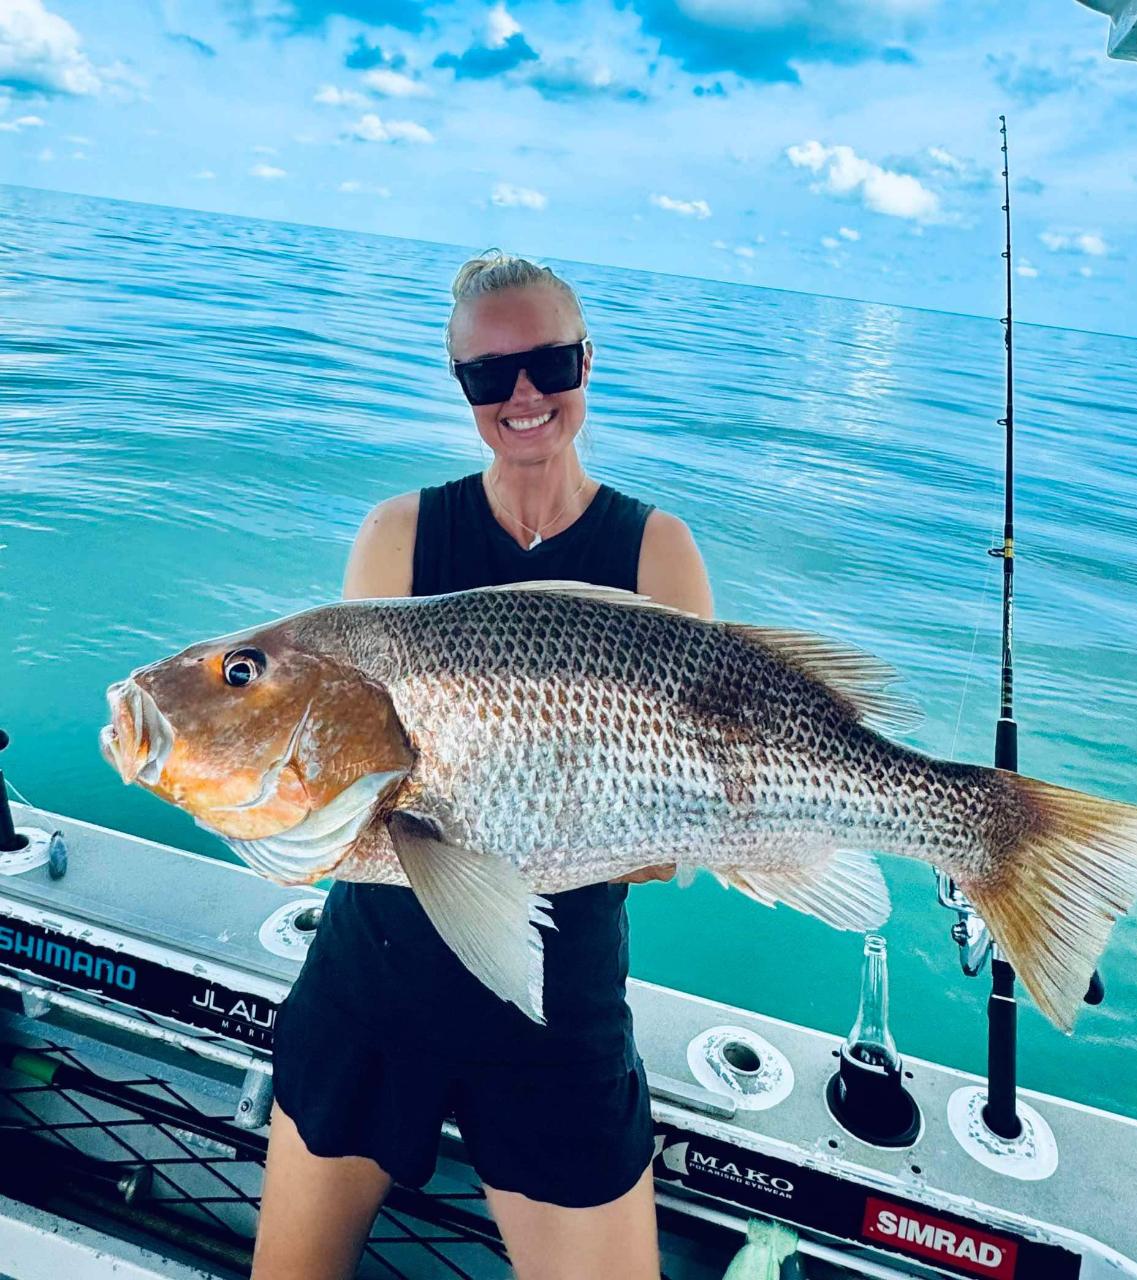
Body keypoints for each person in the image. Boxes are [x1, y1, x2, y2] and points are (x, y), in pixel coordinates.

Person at [252, 250, 714, 1280]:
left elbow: (675, 835)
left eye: (550, 361)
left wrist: (657, 832)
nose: (523, 394)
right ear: (459, 383)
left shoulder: (659, 550)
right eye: (488, 374)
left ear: (589, 358)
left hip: (557, 1009)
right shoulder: (399, 533)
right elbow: (355, 777)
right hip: (371, 986)